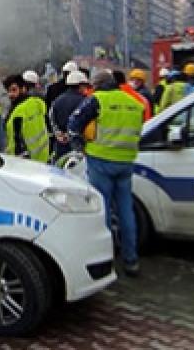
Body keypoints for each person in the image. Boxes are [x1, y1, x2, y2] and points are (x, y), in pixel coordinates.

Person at [68, 70, 146, 277]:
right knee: (125, 212)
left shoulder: (97, 100)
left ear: (98, 85)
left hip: (101, 160)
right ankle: (131, 260)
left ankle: (105, 258)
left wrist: (80, 147)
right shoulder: (134, 103)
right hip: (126, 162)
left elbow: (73, 125)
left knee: (101, 210)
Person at [3, 74, 50, 163]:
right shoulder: (37, 103)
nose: (10, 94)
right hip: (43, 158)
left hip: (25, 164)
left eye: (14, 90)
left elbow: (18, 144)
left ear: (23, 88)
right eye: (8, 91)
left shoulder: (18, 113)